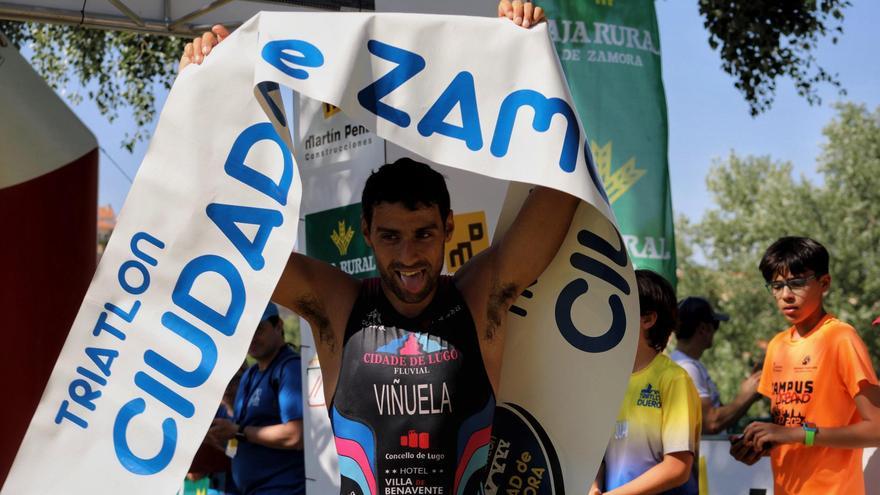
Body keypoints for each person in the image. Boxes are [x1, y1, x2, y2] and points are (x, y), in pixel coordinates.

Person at [182, 3, 576, 492]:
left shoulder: (477, 299)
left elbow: (561, 193)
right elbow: (231, 239)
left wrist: (536, 60)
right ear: (366, 231)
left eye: (423, 234)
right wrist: (203, 98)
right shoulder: (338, 304)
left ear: (448, 228)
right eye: (390, 236)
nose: (408, 256)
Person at [731, 236, 880, 495]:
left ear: (824, 283)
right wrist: (758, 447)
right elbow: (789, 435)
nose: (786, 295)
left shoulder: (841, 338)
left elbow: (877, 429)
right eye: (776, 286)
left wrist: (800, 434)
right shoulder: (777, 346)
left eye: (797, 283)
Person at [590, 270, 702, 495]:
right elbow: (598, 458)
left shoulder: (674, 379)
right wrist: (594, 487)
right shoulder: (605, 382)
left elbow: (677, 468)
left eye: (618, 304)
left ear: (648, 319)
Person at [208, 303, 305, 495]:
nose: (251, 338)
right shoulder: (249, 375)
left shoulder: (290, 369)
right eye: (247, 332)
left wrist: (239, 431)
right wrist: (217, 437)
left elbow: (296, 435)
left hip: (284, 489)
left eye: (259, 330)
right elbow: (240, 440)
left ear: (279, 326)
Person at [671, 297, 762, 434]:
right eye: (715, 325)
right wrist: (746, 395)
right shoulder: (686, 368)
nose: (715, 332)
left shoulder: (690, 364)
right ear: (703, 328)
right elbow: (710, 423)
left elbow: (721, 419)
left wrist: (750, 393)